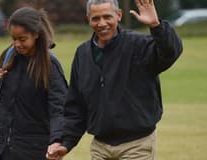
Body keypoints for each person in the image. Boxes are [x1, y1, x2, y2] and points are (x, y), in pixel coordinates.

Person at [47, 0, 183, 160]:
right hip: (100, 147)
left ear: (119, 15)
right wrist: (65, 143)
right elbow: (76, 107)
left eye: (107, 16)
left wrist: (156, 26)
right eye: (95, 18)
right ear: (88, 19)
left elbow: (170, 52)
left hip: (136, 145)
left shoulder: (138, 45)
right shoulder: (82, 54)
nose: (102, 23)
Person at [0, 7, 67, 160]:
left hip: (33, 149)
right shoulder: (8, 56)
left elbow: (59, 108)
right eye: (14, 38)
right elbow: (2, 98)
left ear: (36, 35)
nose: (17, 44)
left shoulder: (49, 65)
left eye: (22, 39)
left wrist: (56, 141)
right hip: (0, 148)